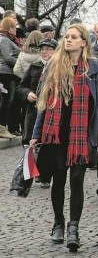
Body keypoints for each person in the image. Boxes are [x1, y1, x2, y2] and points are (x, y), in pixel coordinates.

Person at [30, 24, 98, 252]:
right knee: (59, 181)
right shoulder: (55, 65)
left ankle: (74, 228)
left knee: (77, 181)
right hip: (56, 135)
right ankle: (58, 224)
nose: (68, 41)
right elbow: (43, 104)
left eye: (73, 37)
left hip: (81, 135)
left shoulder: (95, 68)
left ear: (83, 42)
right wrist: (36, 134)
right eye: (66, 37)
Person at [16, 38, 56, 189]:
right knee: (33, 145)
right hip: (33, 112)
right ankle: (30, 175)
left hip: (51, 112)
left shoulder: (58, 67)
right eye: (43, 49)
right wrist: (28, 94)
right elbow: (21, 87)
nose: (45, 52)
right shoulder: (34, 66)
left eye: (49, 49)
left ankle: (45, 175)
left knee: (48, 145)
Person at [0, 17, 21, 139]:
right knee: (7, 100)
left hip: (8, 73)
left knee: (8, 100)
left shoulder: (8, 40)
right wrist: (20, 64)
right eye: (14, 27)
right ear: (9, 28)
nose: (16, 30)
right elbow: (7, 57)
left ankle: (3, 126)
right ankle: (2, 126)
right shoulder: (5, 40)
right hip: (5, 73)